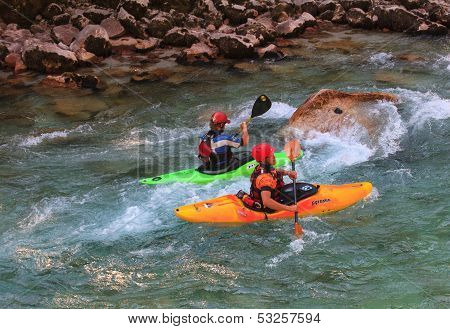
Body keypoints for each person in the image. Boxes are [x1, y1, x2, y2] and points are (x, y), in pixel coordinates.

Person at [244, 143, 299, 213]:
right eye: (271, 156)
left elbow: (275, 171)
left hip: (273, 197)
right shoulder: (265, 179)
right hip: (268, 209)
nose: (274, 157)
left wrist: (288, 173)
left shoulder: (262, 167)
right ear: (264, 160)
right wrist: (289, 208)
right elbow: (266, 202)